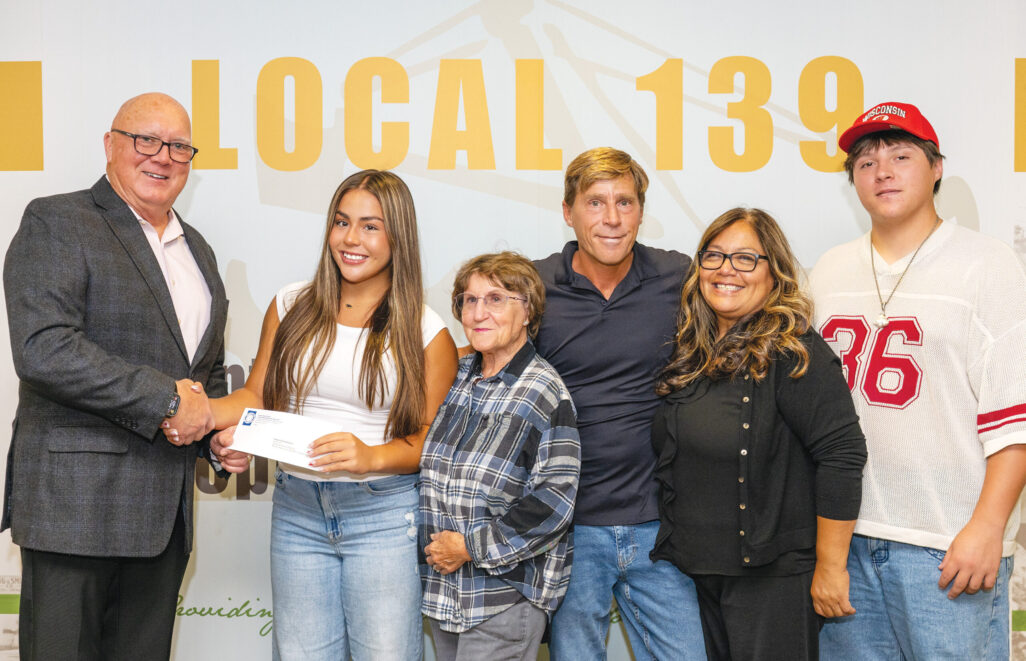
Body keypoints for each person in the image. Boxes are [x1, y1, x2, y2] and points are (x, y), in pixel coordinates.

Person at [2, 92, 227, 660]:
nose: (163, 156)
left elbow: (203, 374)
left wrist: (220, 436)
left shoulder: (197, 250)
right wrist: (168, 402)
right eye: (145, 139)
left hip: (164, 518)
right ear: (110, 144)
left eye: (179, 146)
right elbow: (44, 348)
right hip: (75, 509)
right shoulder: (58, 220)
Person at [202, 169, 458, 660]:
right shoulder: (289, 304)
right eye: (342, 222)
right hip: (297, 509)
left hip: (384, 516)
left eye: (370, 226)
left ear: (398, 237)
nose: (350, 239)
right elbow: (256, 395)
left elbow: (432, 440)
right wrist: (223, 430)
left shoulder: (426, 331)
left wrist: (370, 456)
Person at [812, 102, 1026, 660]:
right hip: (844, 541)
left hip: (946, 547)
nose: (882, 171)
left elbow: (1016, 416)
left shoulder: (987, 264)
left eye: (901, 157)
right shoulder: (828, 270)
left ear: (936, 168)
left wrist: (988, 527)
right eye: (866, 162)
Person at [651, 207, 867, 660]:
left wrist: (831, 567)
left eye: (746, 258)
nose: (726, 269)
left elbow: (842, 454)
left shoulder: (795, 351)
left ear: (775, 273)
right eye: (714, 256)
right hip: (699, 573)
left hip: (772, 579)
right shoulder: (692, 350)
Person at [535, 147, 706, 660]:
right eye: (595, 202)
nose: (612, 218)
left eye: (625, 202)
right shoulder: (532, 287)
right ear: (568, 212)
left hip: (660, 525)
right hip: (568, 529)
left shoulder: (679, 277)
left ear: (640, 211)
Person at [419, 251, 580, 660]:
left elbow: (553, 503)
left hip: (504, 598)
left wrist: (469, 548)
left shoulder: (544, 392)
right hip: (445, 594)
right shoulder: (455, 377)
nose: (479, 313)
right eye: (469, 300)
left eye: (495, 299)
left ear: (528, 311)